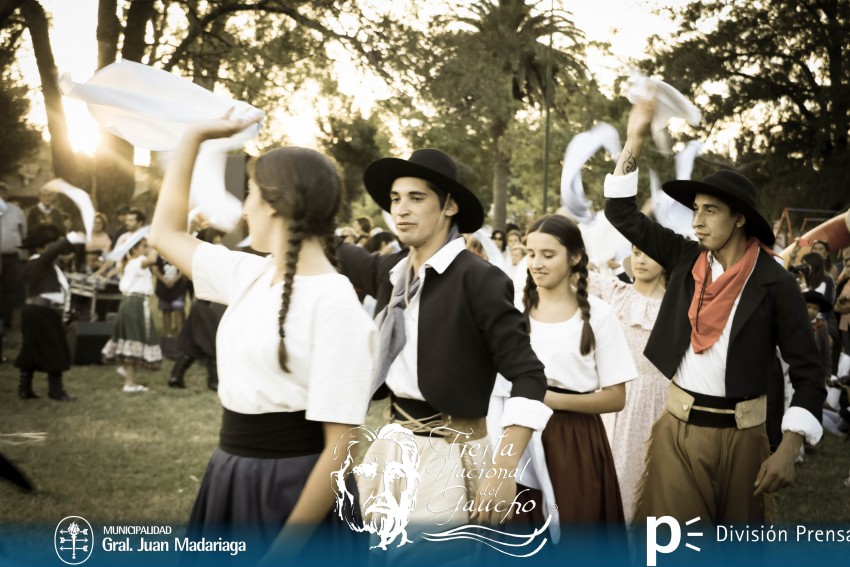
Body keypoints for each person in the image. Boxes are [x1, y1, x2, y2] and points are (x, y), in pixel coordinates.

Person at [147, 113, 377, 559]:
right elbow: (164, 234)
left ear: (275, 203)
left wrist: (283, 552)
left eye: (250, 193)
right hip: (231, 476)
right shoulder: (251, 274)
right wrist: (192, 135)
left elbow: (342, 448)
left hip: (294, 490)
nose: (244, 206)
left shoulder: (334, 303)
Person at [604, 99, 826, 523]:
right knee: (674, 548)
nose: (697, 222)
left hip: (744, 438)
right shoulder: (685, 258)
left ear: (739, 219)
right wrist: (634, 139)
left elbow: (808, 371)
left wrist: (790, 445)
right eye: (695, 210)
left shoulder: (774, 282)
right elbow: (621, 213)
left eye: (710, 211)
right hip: (677, 431)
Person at [338, 148, 551, 536]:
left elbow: (529, 376)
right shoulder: (394, 272)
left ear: (449, 205)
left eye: (416, 198)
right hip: (391, 446)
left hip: (448, 456)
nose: (401, 210)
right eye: (395, 199)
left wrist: (504, 469)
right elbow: (340, 254)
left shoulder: (479, 279)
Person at [517, 214, 636, 531]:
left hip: (573, 441)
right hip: (518, 436)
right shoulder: (516, 311)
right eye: (531, 254)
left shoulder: (598, 315)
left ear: (575, 257)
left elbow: (615, 398)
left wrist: (551, 399)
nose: (537, 263)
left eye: (548, 254)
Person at [590, 245, 667, 523]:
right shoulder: (615, 292)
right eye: (636, 252)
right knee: (615, 475)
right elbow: (575, 272)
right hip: (616, 399)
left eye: (649, 252)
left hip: (661, 402)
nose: (641, 259)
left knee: (655, 484)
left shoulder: (677, 304)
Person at [15, 224, 80, 401]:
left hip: (42, 311)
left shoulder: (46, 265)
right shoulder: (37, 262)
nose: (55, 249)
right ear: (41, 248)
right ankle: (55, 390)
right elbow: (52, 253)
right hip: (41, 311)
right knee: (55, 348)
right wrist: (68, 239)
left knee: (33, 348)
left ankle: (25, 388)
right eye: (50, 245)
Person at [101, 237, 162, 392]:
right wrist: (157, 242)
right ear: (134, 249)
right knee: (133, 338)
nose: (145, 249)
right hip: (135, 303)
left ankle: (126, 371)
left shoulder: (130, 264)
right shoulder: (138, 262)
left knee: (131, 337)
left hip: (131, 302)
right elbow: (153, 259)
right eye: (143, 246)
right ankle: (129, 383)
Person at [0, 184, 26, 363]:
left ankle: (6, 323)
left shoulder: (16, 211)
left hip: (11, 256)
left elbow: (23, 232)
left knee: (10, 291)